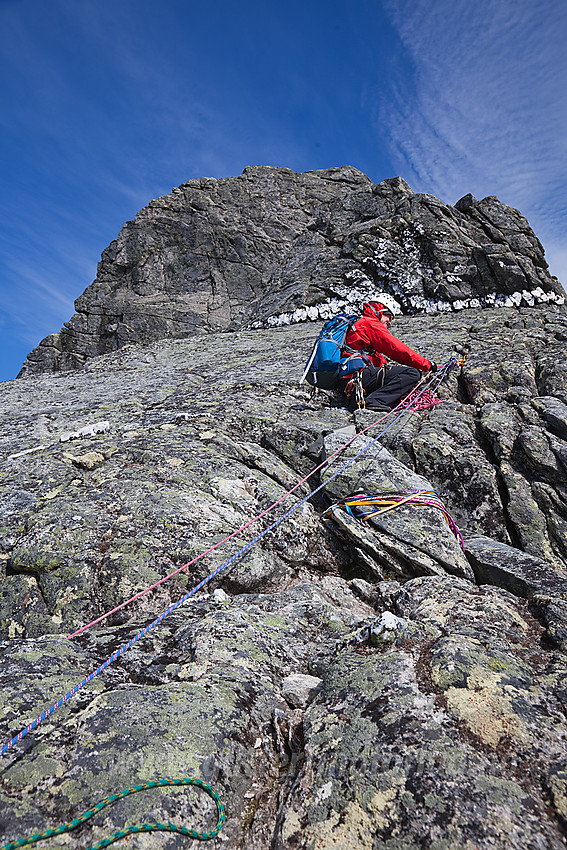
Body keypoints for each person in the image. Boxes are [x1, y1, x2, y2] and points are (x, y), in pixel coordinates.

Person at [340, 294, 436, 411]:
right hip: (357, 377)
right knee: (412, 374)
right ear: (379, 310)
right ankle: (374, 401)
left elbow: (378, 358)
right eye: (388, 316)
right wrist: (427, 365)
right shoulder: (370, 324)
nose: (389, 322)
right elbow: (397, 349)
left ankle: (369, 399)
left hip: (350, 378)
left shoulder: (362, 324)